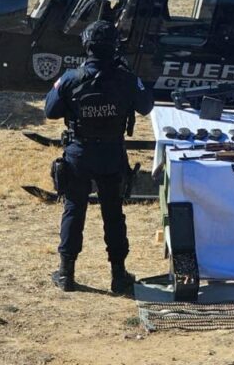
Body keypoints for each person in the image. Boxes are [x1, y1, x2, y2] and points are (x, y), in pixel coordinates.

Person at [44, 20, 153, 294]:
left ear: (87, 46)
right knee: (113, 214)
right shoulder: (126, 79)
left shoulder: (72, 78)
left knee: (73, 209)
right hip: (111, 155)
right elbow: (146, 106)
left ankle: (66, 273)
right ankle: (119, 275)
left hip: (79, 153)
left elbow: (50, 110)